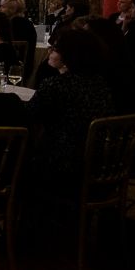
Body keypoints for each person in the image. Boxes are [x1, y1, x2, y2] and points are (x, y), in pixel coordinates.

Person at [24, 28, 117, 189]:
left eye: (55, 49)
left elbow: (27, 116)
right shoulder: (100, 83)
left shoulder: (55, 85)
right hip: (101, 163)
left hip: (62, 167)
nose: (50, 51)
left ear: (69, 55)